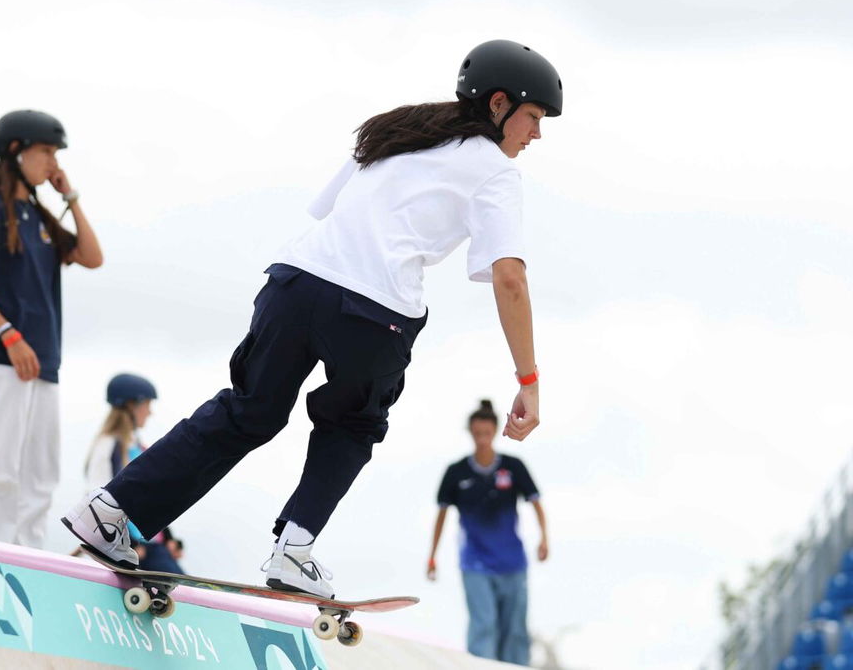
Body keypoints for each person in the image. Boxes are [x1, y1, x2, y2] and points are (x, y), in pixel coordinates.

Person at [62, 39, 560, 597]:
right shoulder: (494, 170)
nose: (536, 135)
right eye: (534, 118)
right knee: (353, 424)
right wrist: (528, 380)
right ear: (498, 105)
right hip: (374, 313)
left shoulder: (393, 131)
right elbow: (510, 278)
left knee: (248, 410)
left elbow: (329, 211)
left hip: (294, 283)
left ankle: (108, 511)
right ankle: (294, 548)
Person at [0, 109, 103, 547]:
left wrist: (70, 196)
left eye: (55, 152)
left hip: (44, 361)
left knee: (41, 474)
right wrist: (9, 334)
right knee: (0, 470)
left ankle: (29, 560)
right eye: (45, 151)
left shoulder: (39, 218)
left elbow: (92, 256)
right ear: (16, 151)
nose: (52, 161)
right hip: (4, 356)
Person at [427, 399, 549, 665]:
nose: (482, 439)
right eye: (477, 434)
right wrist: (432, 555)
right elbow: (442, 514)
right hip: (475, 561)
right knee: (484, 624)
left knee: (515, 629)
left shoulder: (513, 466)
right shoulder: (456, 472)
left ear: (495, 431)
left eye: (486, 433)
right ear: (471, 433)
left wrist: (544, 539)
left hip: (512, 561)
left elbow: (536, 503)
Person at [83, 374, 185, 573]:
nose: (150, 412)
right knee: (185, 593)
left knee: (184, 591)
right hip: (132, 548)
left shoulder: (137, 446)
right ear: (132, 405)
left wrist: (169, 538)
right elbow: (98, 496)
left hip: (152, 546)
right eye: (147, 404)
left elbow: (150, 497)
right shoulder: (109, 444)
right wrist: (129, 544)